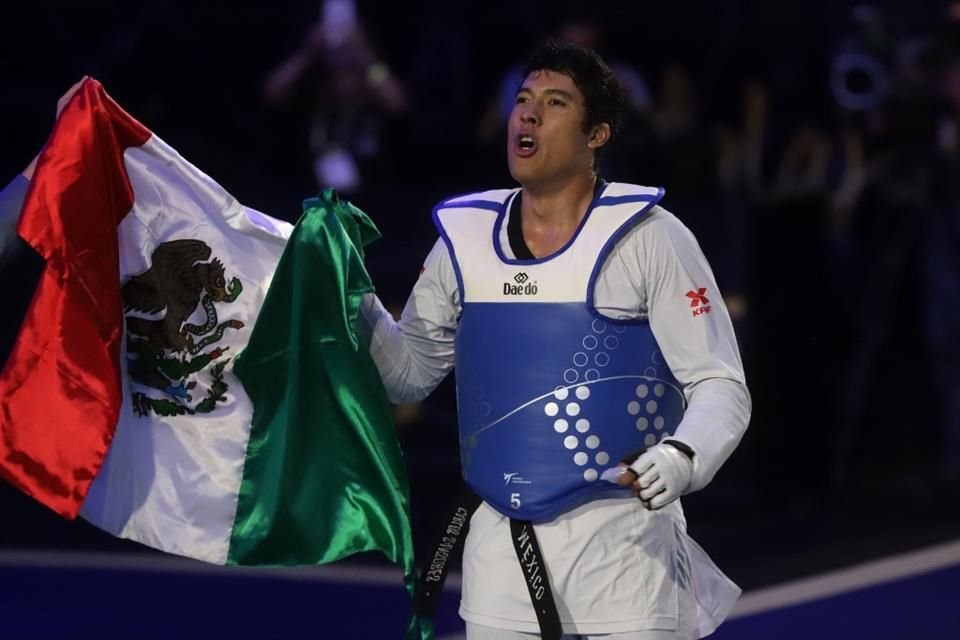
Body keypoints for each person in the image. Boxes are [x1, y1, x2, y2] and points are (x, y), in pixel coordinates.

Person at [361, 40, 750, 640]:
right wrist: (351, 300)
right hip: (500, 556)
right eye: (522, 99)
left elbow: (720, 383)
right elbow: (407, 374)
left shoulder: (650, 238)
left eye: (554, 102)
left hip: (627, 556)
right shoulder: (462, 241)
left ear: (597, 134)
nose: (529, 114)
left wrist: (682, 457)